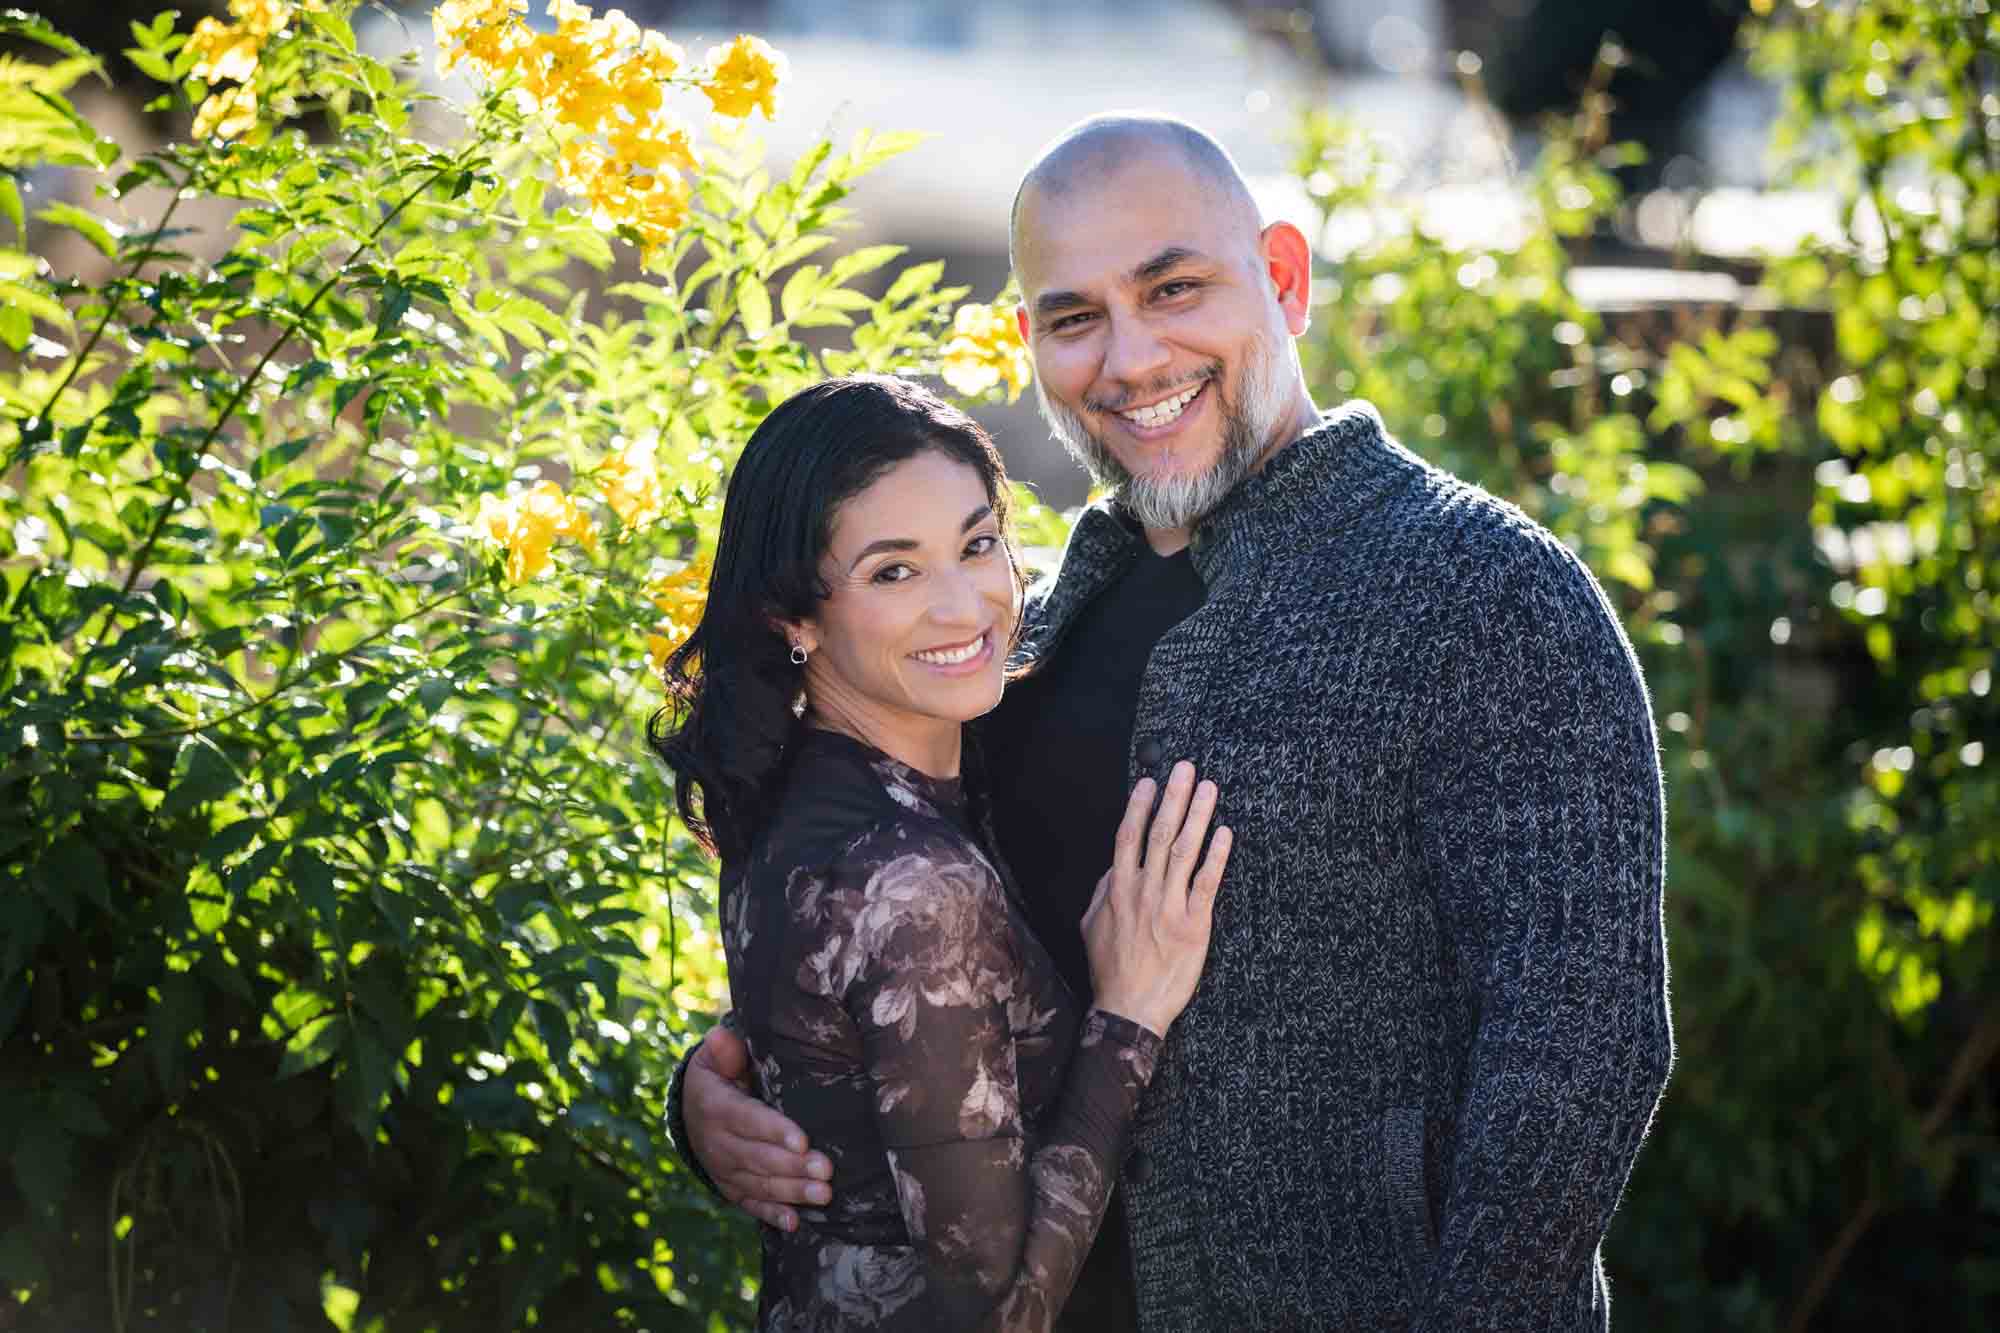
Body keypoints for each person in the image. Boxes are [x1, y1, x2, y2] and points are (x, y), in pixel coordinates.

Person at [668, 116, 1674, 1331]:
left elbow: (1580, 1051)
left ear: (1285, 280)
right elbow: (908, 938)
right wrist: (719, 1093)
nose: (1131, 357)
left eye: (1174, 288)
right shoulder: (1023, 624)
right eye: (1075, 315)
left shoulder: (1482, 590)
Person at [648, 374, 1235, 1330]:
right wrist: (1129, 1017)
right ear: (791, 617)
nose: (965, 607)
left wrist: (699, 1095)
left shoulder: (798, 780)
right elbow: (996, 1313)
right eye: (894, 571)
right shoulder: (915, 881)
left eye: (976, 545)